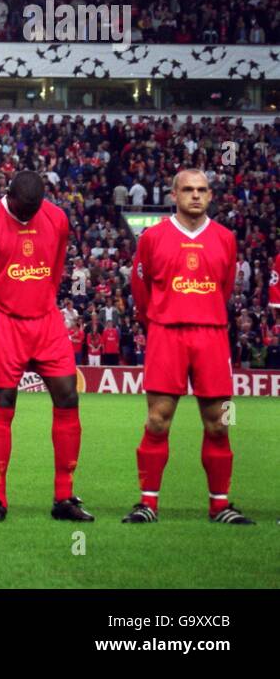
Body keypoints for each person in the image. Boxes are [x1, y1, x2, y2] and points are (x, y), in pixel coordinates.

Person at [0, 171, 92, 523]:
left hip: (46, 320)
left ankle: (64, 496)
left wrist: (43, 298)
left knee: (68, 397)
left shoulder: (56, 217)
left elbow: (57, 265)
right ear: (9, 195)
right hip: (2, 321)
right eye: (24, 207)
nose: (31, 213)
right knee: (2, 405)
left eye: (36, 207)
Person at [124, 169, 254, 525]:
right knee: (157, 421)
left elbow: (225, 288)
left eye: (202, 190)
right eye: (187, 190)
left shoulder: (226, 238)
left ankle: (220, 505)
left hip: (212, 336)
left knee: (219, 424)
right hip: (166, 334)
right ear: (174, 195)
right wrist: (161, 320)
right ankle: (147, 503)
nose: (195, 196)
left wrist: (204, 312)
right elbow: (140, 288)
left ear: (210, 195)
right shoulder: (152, 237)